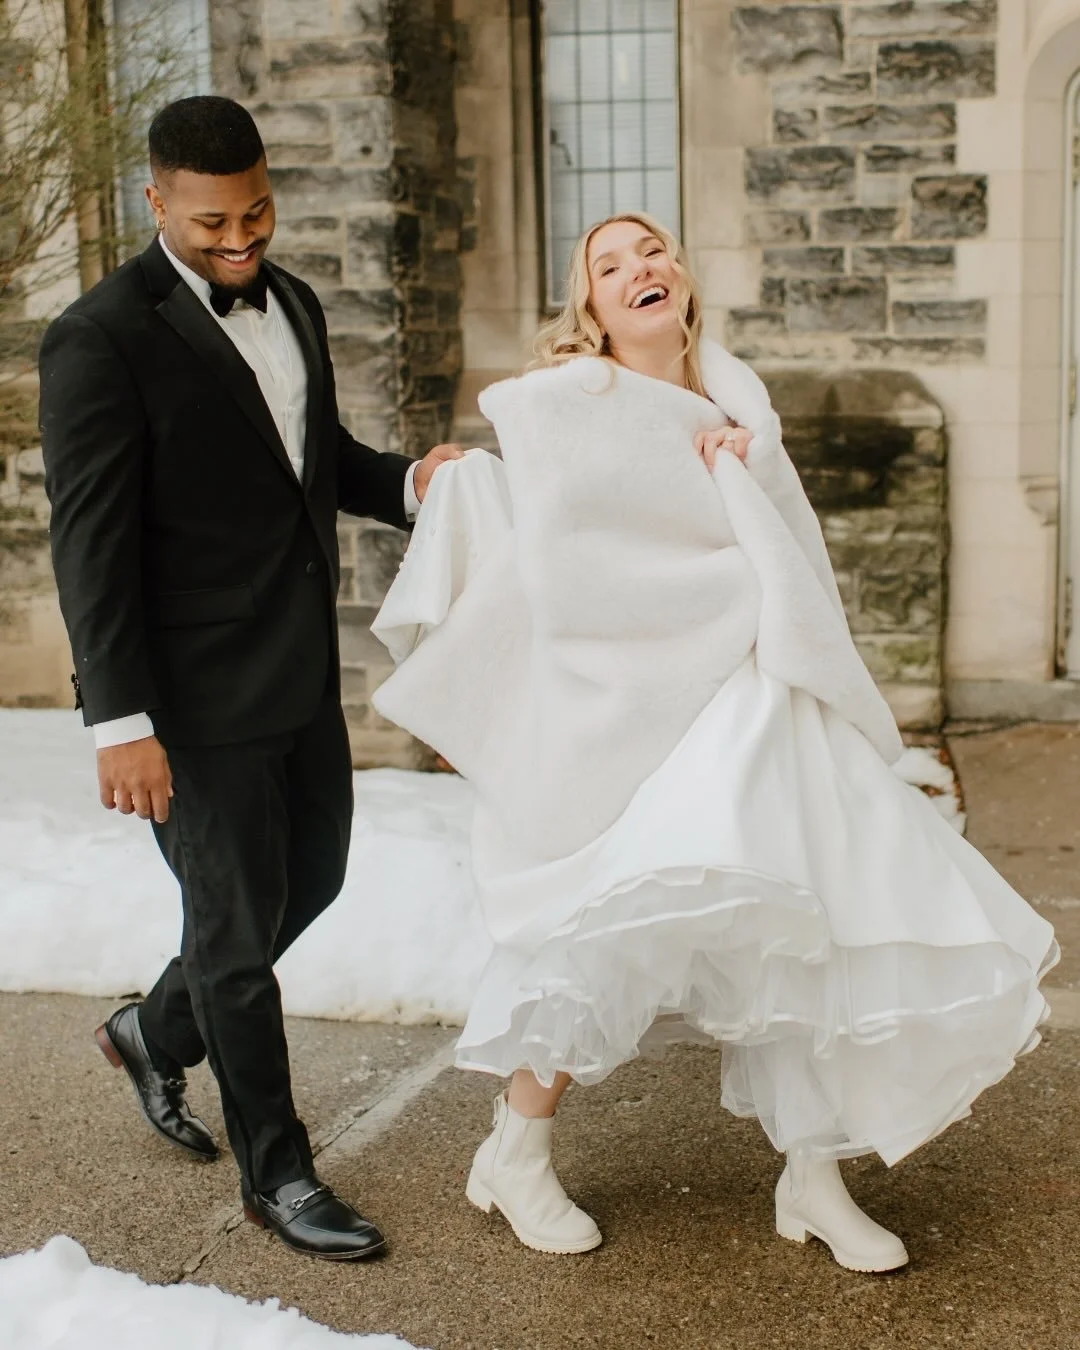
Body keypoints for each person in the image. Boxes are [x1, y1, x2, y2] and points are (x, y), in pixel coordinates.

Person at [369, 212, 1057, 1271]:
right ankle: (516, 1149)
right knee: (602, 921)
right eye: (609, 263)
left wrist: (746, 466)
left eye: (652, 250)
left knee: (812, 910)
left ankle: (814, 1178)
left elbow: (785, 551)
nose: (639, 268)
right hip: (634, 700)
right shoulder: (574, 402)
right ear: (590, 308)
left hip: (753, 687)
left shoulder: (740, 396)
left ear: (681, 277)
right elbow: (571, 563)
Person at [38, 95, 461, 1262]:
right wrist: (119, 720)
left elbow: (310, 466)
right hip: (184, 696)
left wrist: (417, 485)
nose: (241, 240)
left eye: (258, 213)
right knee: (234, 935)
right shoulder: (98, 337)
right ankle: (279, 1177)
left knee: (308, 883)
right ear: (157, 202)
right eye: (214, 221)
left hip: (294, 669)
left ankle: (152, 1030)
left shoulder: (298, 303)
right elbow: (90, 546)